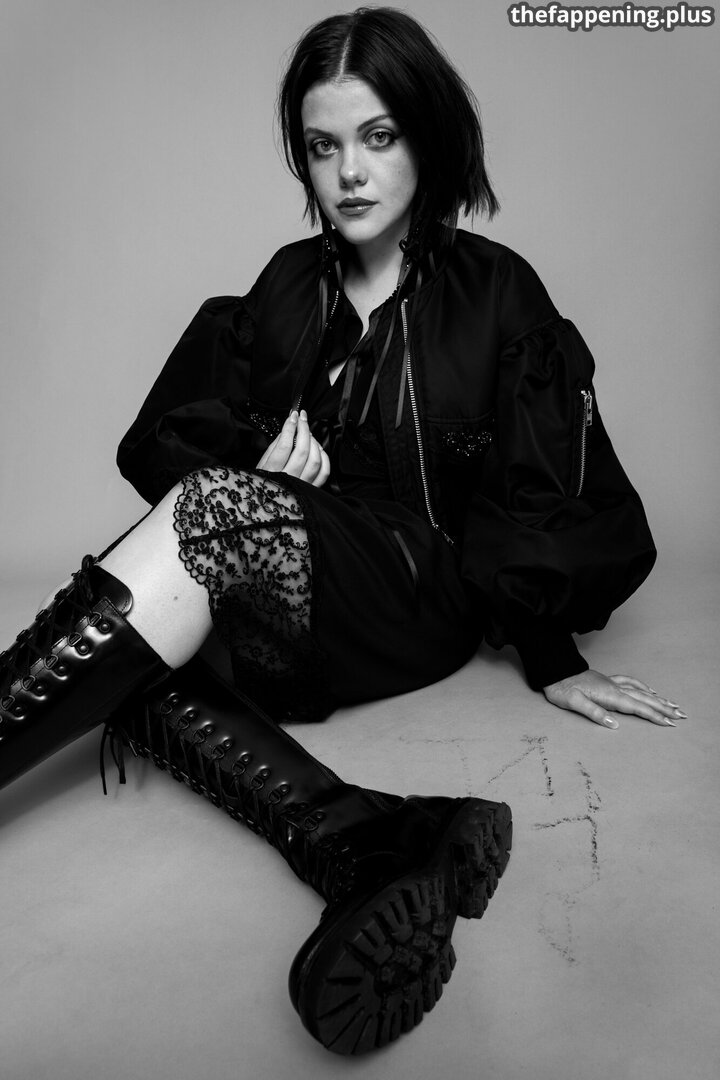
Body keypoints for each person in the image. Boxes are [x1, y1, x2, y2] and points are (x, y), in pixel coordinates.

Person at [0, 6, 682, 1057]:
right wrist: (265, 464)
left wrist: (550, 652)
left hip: (420, 593)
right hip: (300, 578)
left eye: (378, 137)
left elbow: (541, 483)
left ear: (428, 139)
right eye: (324, 146)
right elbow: (180, 437)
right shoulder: (286, 285)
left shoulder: (495, 288)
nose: (350, 173)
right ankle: (371, 840)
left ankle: (376, 837)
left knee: (196, 531)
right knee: (138, 650)